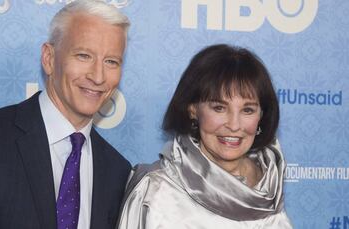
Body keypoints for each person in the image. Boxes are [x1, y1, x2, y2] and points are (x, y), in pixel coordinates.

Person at [0, 1, 131, 228]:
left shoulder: (117, 171)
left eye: (111, 61)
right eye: (83, 56)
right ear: (49, 58)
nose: (98, 76)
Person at [117, 44, 293, 228]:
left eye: (247, 110)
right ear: (193, 109)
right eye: (219, 108)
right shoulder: (155, 189)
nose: (234, 125)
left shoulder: (269, 191)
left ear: (261, 116)